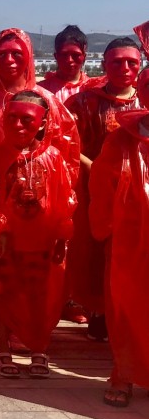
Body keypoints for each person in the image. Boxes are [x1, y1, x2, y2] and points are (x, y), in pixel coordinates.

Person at [0, 90, 75, 378]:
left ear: (42, 122)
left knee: (41, 295)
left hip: (42, 240)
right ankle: (3, 348)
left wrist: (62, 234)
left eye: (26, 119)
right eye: (11, 118)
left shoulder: (53, 158)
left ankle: (40, 347)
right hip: (7, 240)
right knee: (4, 293)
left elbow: (66, 199)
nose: (17, 125)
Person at [64, 38, 142, 341]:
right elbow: (69, 143)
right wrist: (97, 169)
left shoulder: (145, 101)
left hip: (137, 193)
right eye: (116, 62)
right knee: (94, 250)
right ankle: (98, 310)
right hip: (92, 187)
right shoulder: (84, 102)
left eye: (131, 62)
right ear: (103, 65)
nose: (124, 68)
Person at [89, 67, 149, 406]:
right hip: (128, 241)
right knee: (125, 308)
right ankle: (123, 375)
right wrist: (108, 232)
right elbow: (101, 185)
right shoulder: (122, 138)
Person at [0, 28, 79, 177]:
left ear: (29, 56)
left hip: (35, 187)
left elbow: (66, 154)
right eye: (2, 54)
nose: (9, 60)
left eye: (16, 53)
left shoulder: (48, 101)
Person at [40, 25, 92, 103]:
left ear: (84, 57)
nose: (69, 60)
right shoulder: (41, 91)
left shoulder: (93, 89)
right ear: (56, 56)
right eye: (64, 55)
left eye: (76, 55)